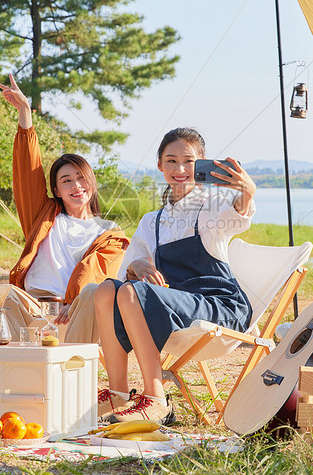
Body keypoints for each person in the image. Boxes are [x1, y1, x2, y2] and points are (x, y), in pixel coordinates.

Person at [93, 127, 256, 424]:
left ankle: (156, 400)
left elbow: (240, 215)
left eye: (189, 161)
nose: (180, 169)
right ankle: (117, 394)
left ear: (203, 164)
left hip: (217, 306)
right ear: (160, 166)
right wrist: (137, 267)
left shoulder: (213, 204)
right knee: (106, 290)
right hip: (174, 309)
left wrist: (247, 192)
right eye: (171, 161)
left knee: (131, 292)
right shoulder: (150, 221)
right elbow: (126, 272)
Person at [0, 75, 129, 343]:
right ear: (56, 190)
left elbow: (95, 271)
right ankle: (21, 373)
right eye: (67, 181)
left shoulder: (110, 233)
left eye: (81, 178)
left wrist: (72, 302)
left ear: (91, 183)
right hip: (32, 309)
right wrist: (24, 112)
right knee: (6, 295)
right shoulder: (44, 216)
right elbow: (27, 172)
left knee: (94, 293)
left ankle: (71, 372)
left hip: (75, 314)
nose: (76, 186)